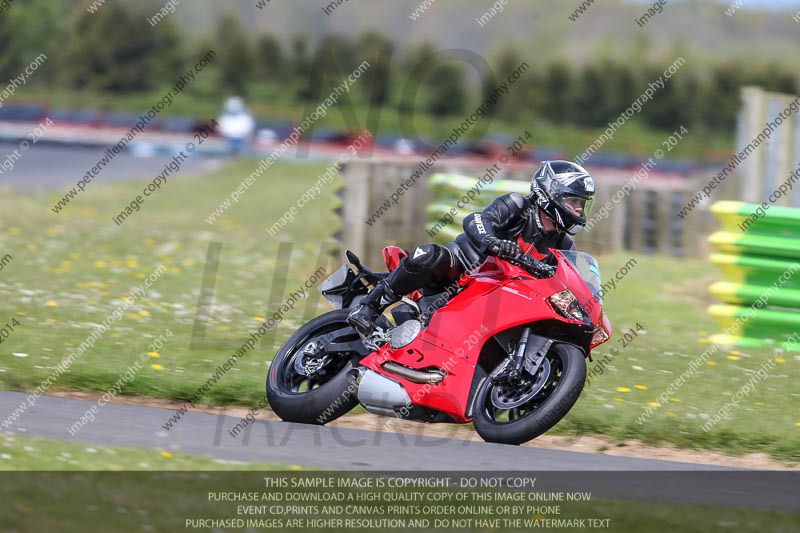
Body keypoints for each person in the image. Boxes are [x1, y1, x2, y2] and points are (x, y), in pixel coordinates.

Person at [347, 160, 596, 338]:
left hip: (498, 295)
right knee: (430, 254)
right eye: (573, 201)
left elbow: (565, 283)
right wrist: (494, 242)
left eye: (581, 204)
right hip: (462, 269)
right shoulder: (518, 205)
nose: (578, 210)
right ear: (551, 194)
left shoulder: (563, 245)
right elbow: (476, 220)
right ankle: (369, 307)